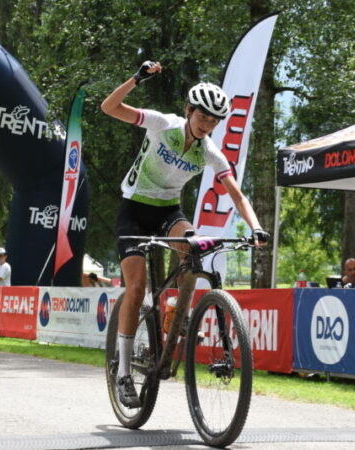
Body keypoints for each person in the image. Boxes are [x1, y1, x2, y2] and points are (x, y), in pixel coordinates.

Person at [101, 60, 269, 408]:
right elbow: (109, 108)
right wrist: (136, 79)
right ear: (189, 110)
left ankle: (176, 313)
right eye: (202, 116)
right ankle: (123, 373)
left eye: (214, 121)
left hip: (167, 211)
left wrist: (255, 227)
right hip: (134, 210)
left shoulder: (209, 152)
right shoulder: (162, 124)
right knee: (136, 288)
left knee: (192, 247)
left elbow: (237, 195)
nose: (207, 124)